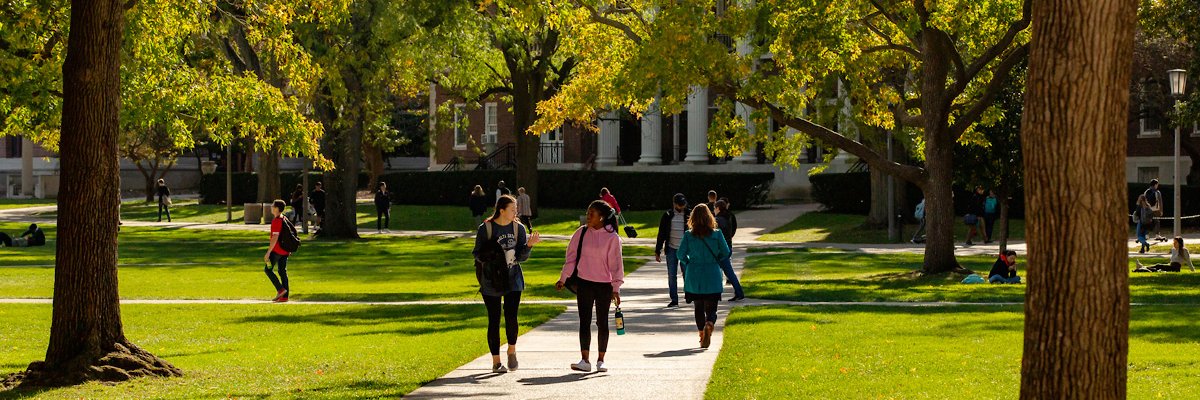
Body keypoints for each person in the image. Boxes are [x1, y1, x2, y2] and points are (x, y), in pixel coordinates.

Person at [475, 194, 542, 373]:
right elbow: (477, 254)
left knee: (511, 316)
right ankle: (496, 362)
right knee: (494, 320)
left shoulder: (518, 228)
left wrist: (528, 245)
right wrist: (493, 256)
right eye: (513, 209)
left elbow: (521, 257)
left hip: (513, 278)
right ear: (502, 210)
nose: (516, 212)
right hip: (491, 280)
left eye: (516, 210)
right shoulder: (486, 228)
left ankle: (511, 349)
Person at [557, 200, 624, 373]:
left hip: (604, 286)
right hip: (584, 283)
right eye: (587, 212)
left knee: (602, 322)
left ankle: (601, 360)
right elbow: (571, 258)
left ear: (601, 217)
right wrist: (563, 278)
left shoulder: (612, 238)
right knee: (584, 321)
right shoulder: (581, 233)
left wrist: (616, 288)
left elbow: (616, 265)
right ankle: (584, 360)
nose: (588, 216)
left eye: (591, 213)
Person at [678, 204, 730, 348]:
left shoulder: (689, 235)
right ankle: (710, 323)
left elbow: (680, 254)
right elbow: (726, 252)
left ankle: (701, 333)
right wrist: (716, 259)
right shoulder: (717, 234)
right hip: (712, 273)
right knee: (712, 308)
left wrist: (688, 262)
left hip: (694, 274)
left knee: (698, 307)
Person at [655, 193, 690, 307]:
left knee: (687, 273)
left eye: (683, 205)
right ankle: (674, 299)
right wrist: (658, 250)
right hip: (671, 248)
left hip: (685, 249)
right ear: (674, 204)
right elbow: (661, 234)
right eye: (679, 205)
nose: (681, 207)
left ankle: (689, 294)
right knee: (672, 275)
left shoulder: (689, 214)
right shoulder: (667, 215)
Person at [713, 199, 745, 301]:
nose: (714, 210)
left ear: (718, 208)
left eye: (714, 208)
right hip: (728, 246)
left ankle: (717, 293)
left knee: (721, 272)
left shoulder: (718, 220)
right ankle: (738, 292)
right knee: (728, 272)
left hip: (721, 249)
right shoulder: (729, 217)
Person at [264, 200, 293, 302]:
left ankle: (280, 290)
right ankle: (285, 296)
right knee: (282, 272)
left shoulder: (276, 221)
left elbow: (275, 237)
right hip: (285, 251)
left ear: (276, 208)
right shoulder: (284, 218)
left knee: (268, 270)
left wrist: (268, 252)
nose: (271, 207)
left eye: (273, 205)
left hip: (276, 251)